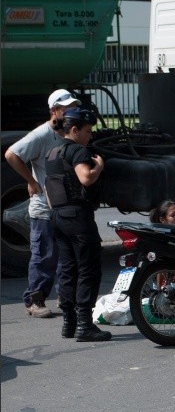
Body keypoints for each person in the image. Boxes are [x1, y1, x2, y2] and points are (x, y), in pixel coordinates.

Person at [4, 89, 81, 318]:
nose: (69, 111)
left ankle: (65, 298)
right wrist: (31, 181)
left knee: (68, 255)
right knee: (44, 255)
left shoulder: (71, 132)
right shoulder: (41, 135)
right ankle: (34, 300)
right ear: (53, 111)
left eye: (72, 106)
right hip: (44, 209)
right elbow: (11, 154)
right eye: (65, 107)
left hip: (65, 206)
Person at [44, 107, 111, 341]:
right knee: (88, 268)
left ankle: (69, 323)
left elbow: (48, 187)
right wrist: (99, 167)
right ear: (74, 130)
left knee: (69, 268)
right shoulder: (77, 151)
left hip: (57, 216)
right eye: (87, 131)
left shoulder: (52, 153)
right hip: (77, 217)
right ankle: (85, 325)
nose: (90, 136)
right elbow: (85, 178)